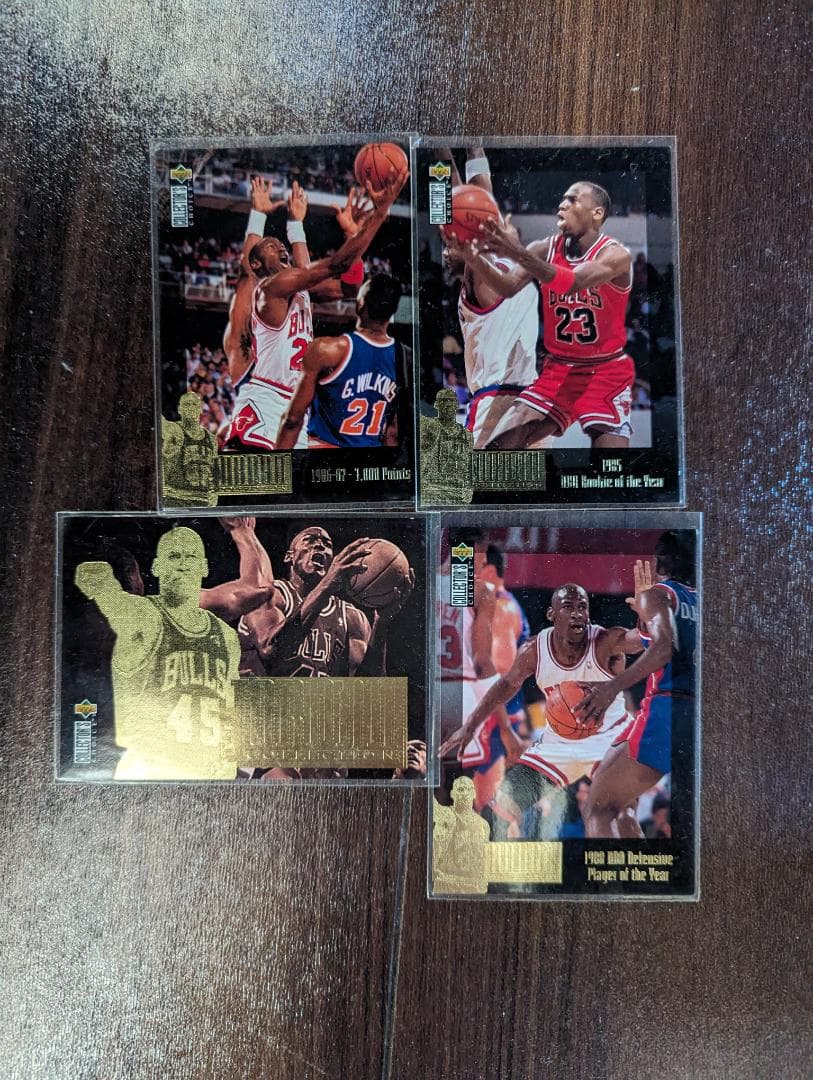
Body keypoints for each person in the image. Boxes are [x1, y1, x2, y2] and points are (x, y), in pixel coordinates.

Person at [221, 166, 409, 451]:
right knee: (262, 478)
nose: (280, 247)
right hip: (265, 406)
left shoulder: (298, 291)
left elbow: (350, 285)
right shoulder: (270, 288)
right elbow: (334, 265)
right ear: (258, 263)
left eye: (282, 245)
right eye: (271, 246)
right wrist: (379, 213)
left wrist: (312, 227)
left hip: (294, 408)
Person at [440, 582, 644, 839]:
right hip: (559, 744)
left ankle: (637, 866)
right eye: (568, 607)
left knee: (622, 815)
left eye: (582, 607)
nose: (577, 614)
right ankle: (493, 866)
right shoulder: (535, 650)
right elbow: (506, 685)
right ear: (551, 614)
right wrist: (470, 725)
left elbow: (637, 640)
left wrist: (646, 617)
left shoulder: (605, 642)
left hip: (611, 740)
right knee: (496, 813)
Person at [447, 180, 634, 450]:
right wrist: (472, 257)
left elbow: (573, 282)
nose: (562, 205)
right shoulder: (543, 249)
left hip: (604, 371)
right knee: (497, 449)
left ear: (597, 213)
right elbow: (507, 287)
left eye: (572, 200)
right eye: (563, 198)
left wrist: (515, 251)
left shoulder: (616, 255)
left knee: (610, 465)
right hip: (559, 370)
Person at [74, 527, 245, 780]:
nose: (183, 565)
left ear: (204, 568)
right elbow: (111, 596)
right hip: (150, 773)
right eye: (174, 557)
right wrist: (102, 584)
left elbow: (231, 710)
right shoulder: (144, 614)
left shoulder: (226, 635)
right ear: (156, 567)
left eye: (191, 557)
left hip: (210, 776)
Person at [581, 532, 697, 839]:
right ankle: (639, 866)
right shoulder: (700, 600)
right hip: (697, 714)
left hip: (666, 710)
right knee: (622, 806)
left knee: (598, 809)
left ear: (658, 562)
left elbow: (663, 648)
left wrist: (611, 688)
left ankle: (609, 873)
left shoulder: (658, 595)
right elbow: (666, 641)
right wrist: (644, 618)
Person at [438, 147, 539, 448]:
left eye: (450, 245)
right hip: (524, 403)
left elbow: (471, 204)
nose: (445, 252)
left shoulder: (488, 275)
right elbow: (469, 202)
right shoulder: (505, 273)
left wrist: (442, 152)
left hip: (504, 403)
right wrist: (470, 148)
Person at [275, 273, 406, 450]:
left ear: (360, 303)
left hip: (326, 454)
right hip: (370, 457)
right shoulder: (402, 356)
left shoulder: (328, 350)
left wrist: (279, 462)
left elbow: (292, 420)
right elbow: (393, 431)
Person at [458, 542, 531, 809]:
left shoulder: (499, 608)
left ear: (487, 570)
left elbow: (498, 670)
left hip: (492, 719)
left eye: (472, 568)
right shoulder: (504, 604)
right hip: (494, 717)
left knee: (483, 807)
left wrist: (504, 727)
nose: (464, 575)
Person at [161, 391, 218, 506]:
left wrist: (215, 492)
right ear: (179, 409)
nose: (191, 408)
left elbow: (214, 470)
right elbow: (155, 418)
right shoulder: (173, 430)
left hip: (203, 501)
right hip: (175, 499)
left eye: (194, 404)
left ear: (200, 409)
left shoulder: (211, 439)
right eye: (187, 404)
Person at [419, 388, 474, 504]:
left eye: (451, 401)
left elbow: (469, 466)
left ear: (456, 405)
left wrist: (467, 490)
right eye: (444, 401)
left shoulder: (466, 434)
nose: (448, 405)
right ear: (437, 405)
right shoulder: (429, 426)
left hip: (457, 494)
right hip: (432, 492)